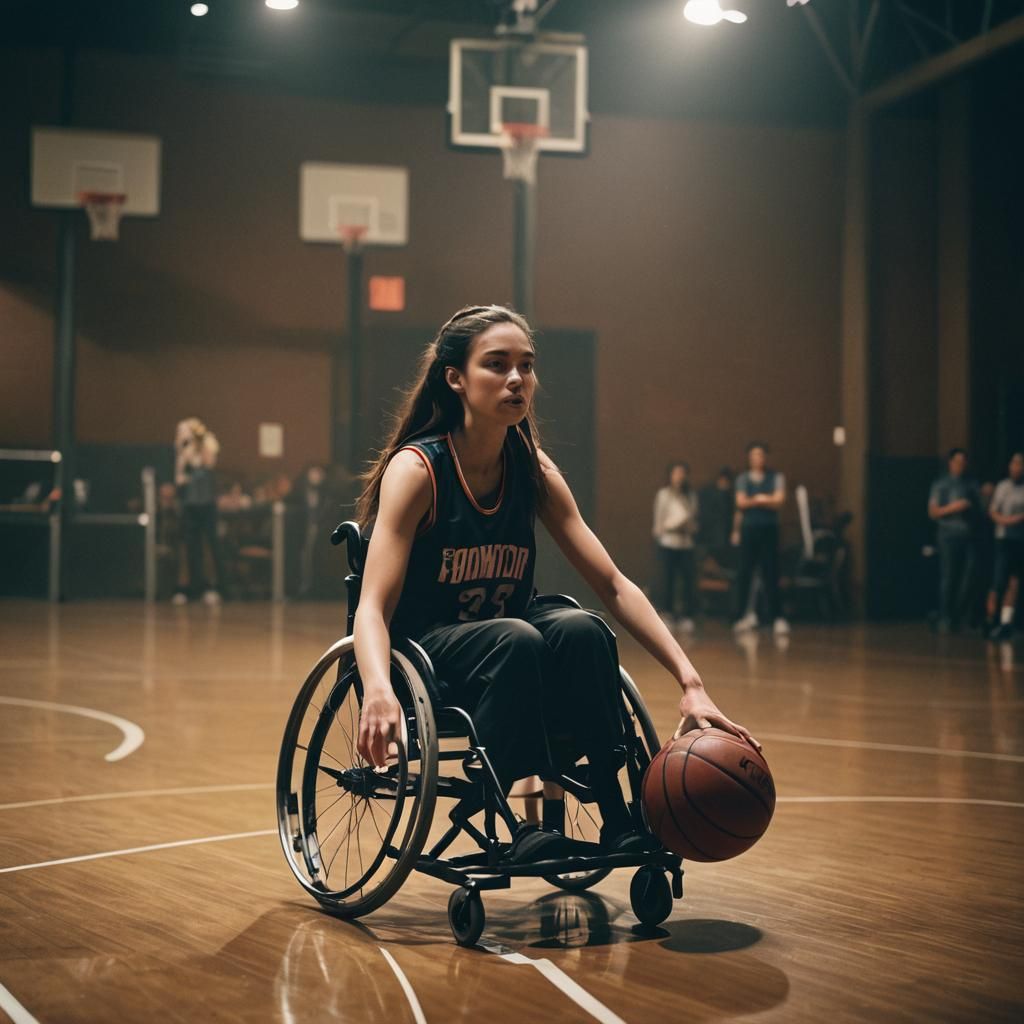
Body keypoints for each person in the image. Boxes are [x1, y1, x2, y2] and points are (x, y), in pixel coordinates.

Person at [351, 305, 759, 865]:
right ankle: (518, 826)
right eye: (497, 365)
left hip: (512, 640)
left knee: (581, 628)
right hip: (429, 651)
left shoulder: (533, 471)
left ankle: (618, 818)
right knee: (517, 637)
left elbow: (613, 584)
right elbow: (371, 607)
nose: (517, 379)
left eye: (526, 365)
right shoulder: (418, 470)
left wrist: (690, 681)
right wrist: (377, 689)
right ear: (455, 378)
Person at [731, 442, 789, 636]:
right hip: (749, 530)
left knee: (771, 572)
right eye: (754, 455)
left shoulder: (776, 477)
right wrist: (762, 499)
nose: (758, 458)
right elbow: (740, 502)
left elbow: (779, 500)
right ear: (750, 458)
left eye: (761, 455)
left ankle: (777, 617)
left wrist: (756, 500)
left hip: (769, 530)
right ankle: (741, 616)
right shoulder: (743, 479)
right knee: (745, 573)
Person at [172, 417, 227, 606]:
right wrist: (182, 451)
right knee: (189, 546)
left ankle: (211, 587)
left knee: (209, 545)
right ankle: (187, 588)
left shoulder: (208, 442)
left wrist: (198, 442)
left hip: (207, 504)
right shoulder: (182, 450)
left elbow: (209, 462)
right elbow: (179, 480)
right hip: (190, 504)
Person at [928, 448, 980, 633]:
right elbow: (933, 512)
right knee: (948, 578)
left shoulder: (971, 484)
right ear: (950, 462)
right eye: (957, 461)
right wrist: (954, 507)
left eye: (964, 462)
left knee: (969, 578)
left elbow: (982, 508)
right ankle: (945, 617)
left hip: (969, 536)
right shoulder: (941, 484)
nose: (960, 465)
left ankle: (960, 616)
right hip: (947, 536)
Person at [652, 461, 699, 631]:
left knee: (686, 581)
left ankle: (686, 615)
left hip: (685, 543)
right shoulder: (663, 494)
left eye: (682, 473)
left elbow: (693, 520)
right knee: (667, 580)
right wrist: (663, 532)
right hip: (668, 542)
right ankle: (667, 613)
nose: (679, 477)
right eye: (676, 473)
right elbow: (659, 521)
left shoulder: (690, 496)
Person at [986, 451, 1024, 641]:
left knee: (1014, 582)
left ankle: (1006, 622)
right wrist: (1007, 521)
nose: (1017, 468)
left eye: (1020, 464)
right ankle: (990, 620)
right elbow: (993, 511)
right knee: (998, 581)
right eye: (1014, 464)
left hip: (1019, 540)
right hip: (1003, 539)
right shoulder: (1003, 487)